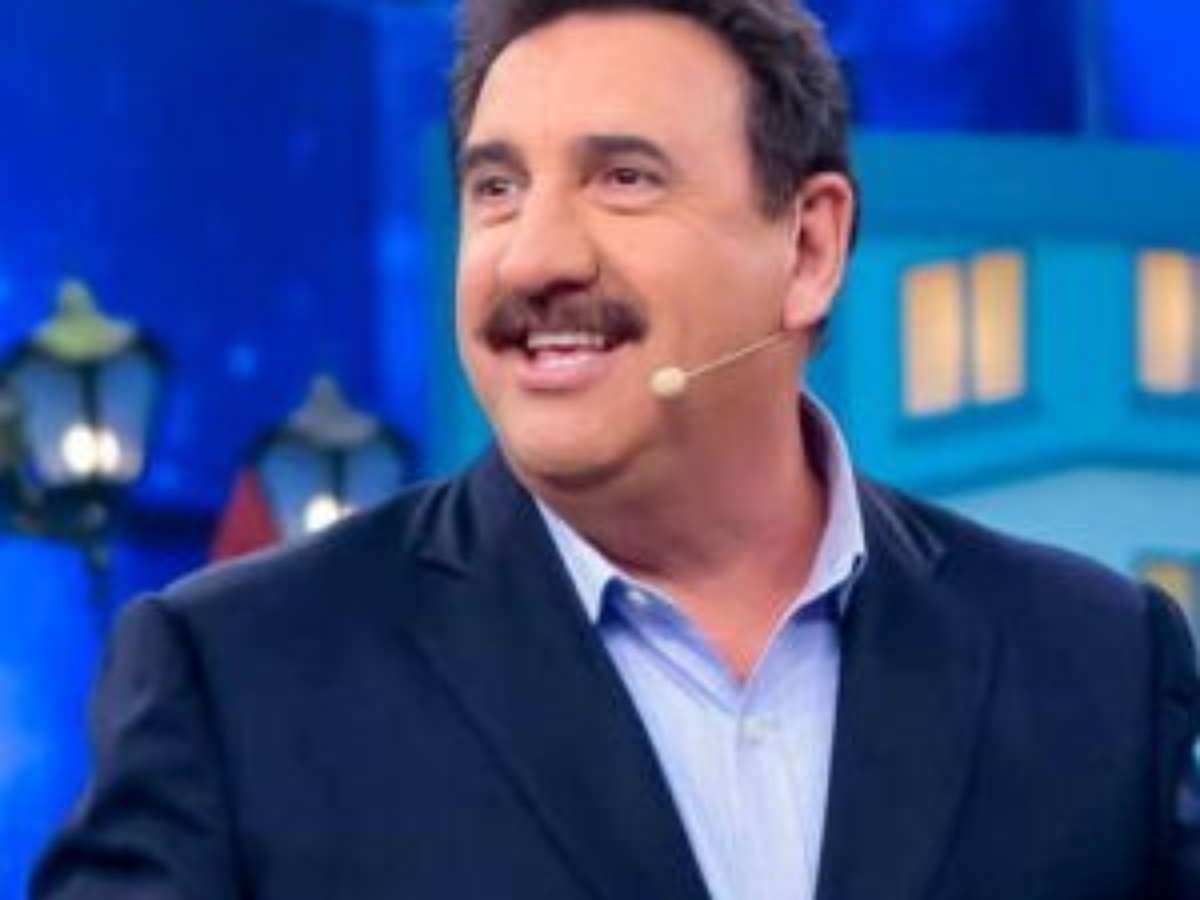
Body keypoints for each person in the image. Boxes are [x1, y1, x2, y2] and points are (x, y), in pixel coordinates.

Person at [32, 0, 1200, 898]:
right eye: (497, 188)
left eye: (624, 179)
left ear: (809, 247)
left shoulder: (1096, 660)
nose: (535, 256)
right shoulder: (242, 676)